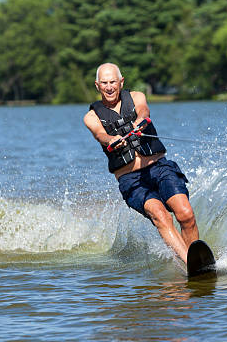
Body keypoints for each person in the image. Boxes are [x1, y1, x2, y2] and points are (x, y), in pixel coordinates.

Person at [83, 63, 199, 264]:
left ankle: (197, 259)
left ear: (121, 82)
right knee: (161, 216)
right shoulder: (91, 117)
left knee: (185, 214)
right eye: (104, 83)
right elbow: (100, 134)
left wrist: (139, 122)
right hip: (132, 180)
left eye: (112, 82)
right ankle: (190, 264)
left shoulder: (137, 97)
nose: (109, 87)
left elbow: (144, 111)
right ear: (97, 85)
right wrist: (111, 140)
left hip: (160, 168)